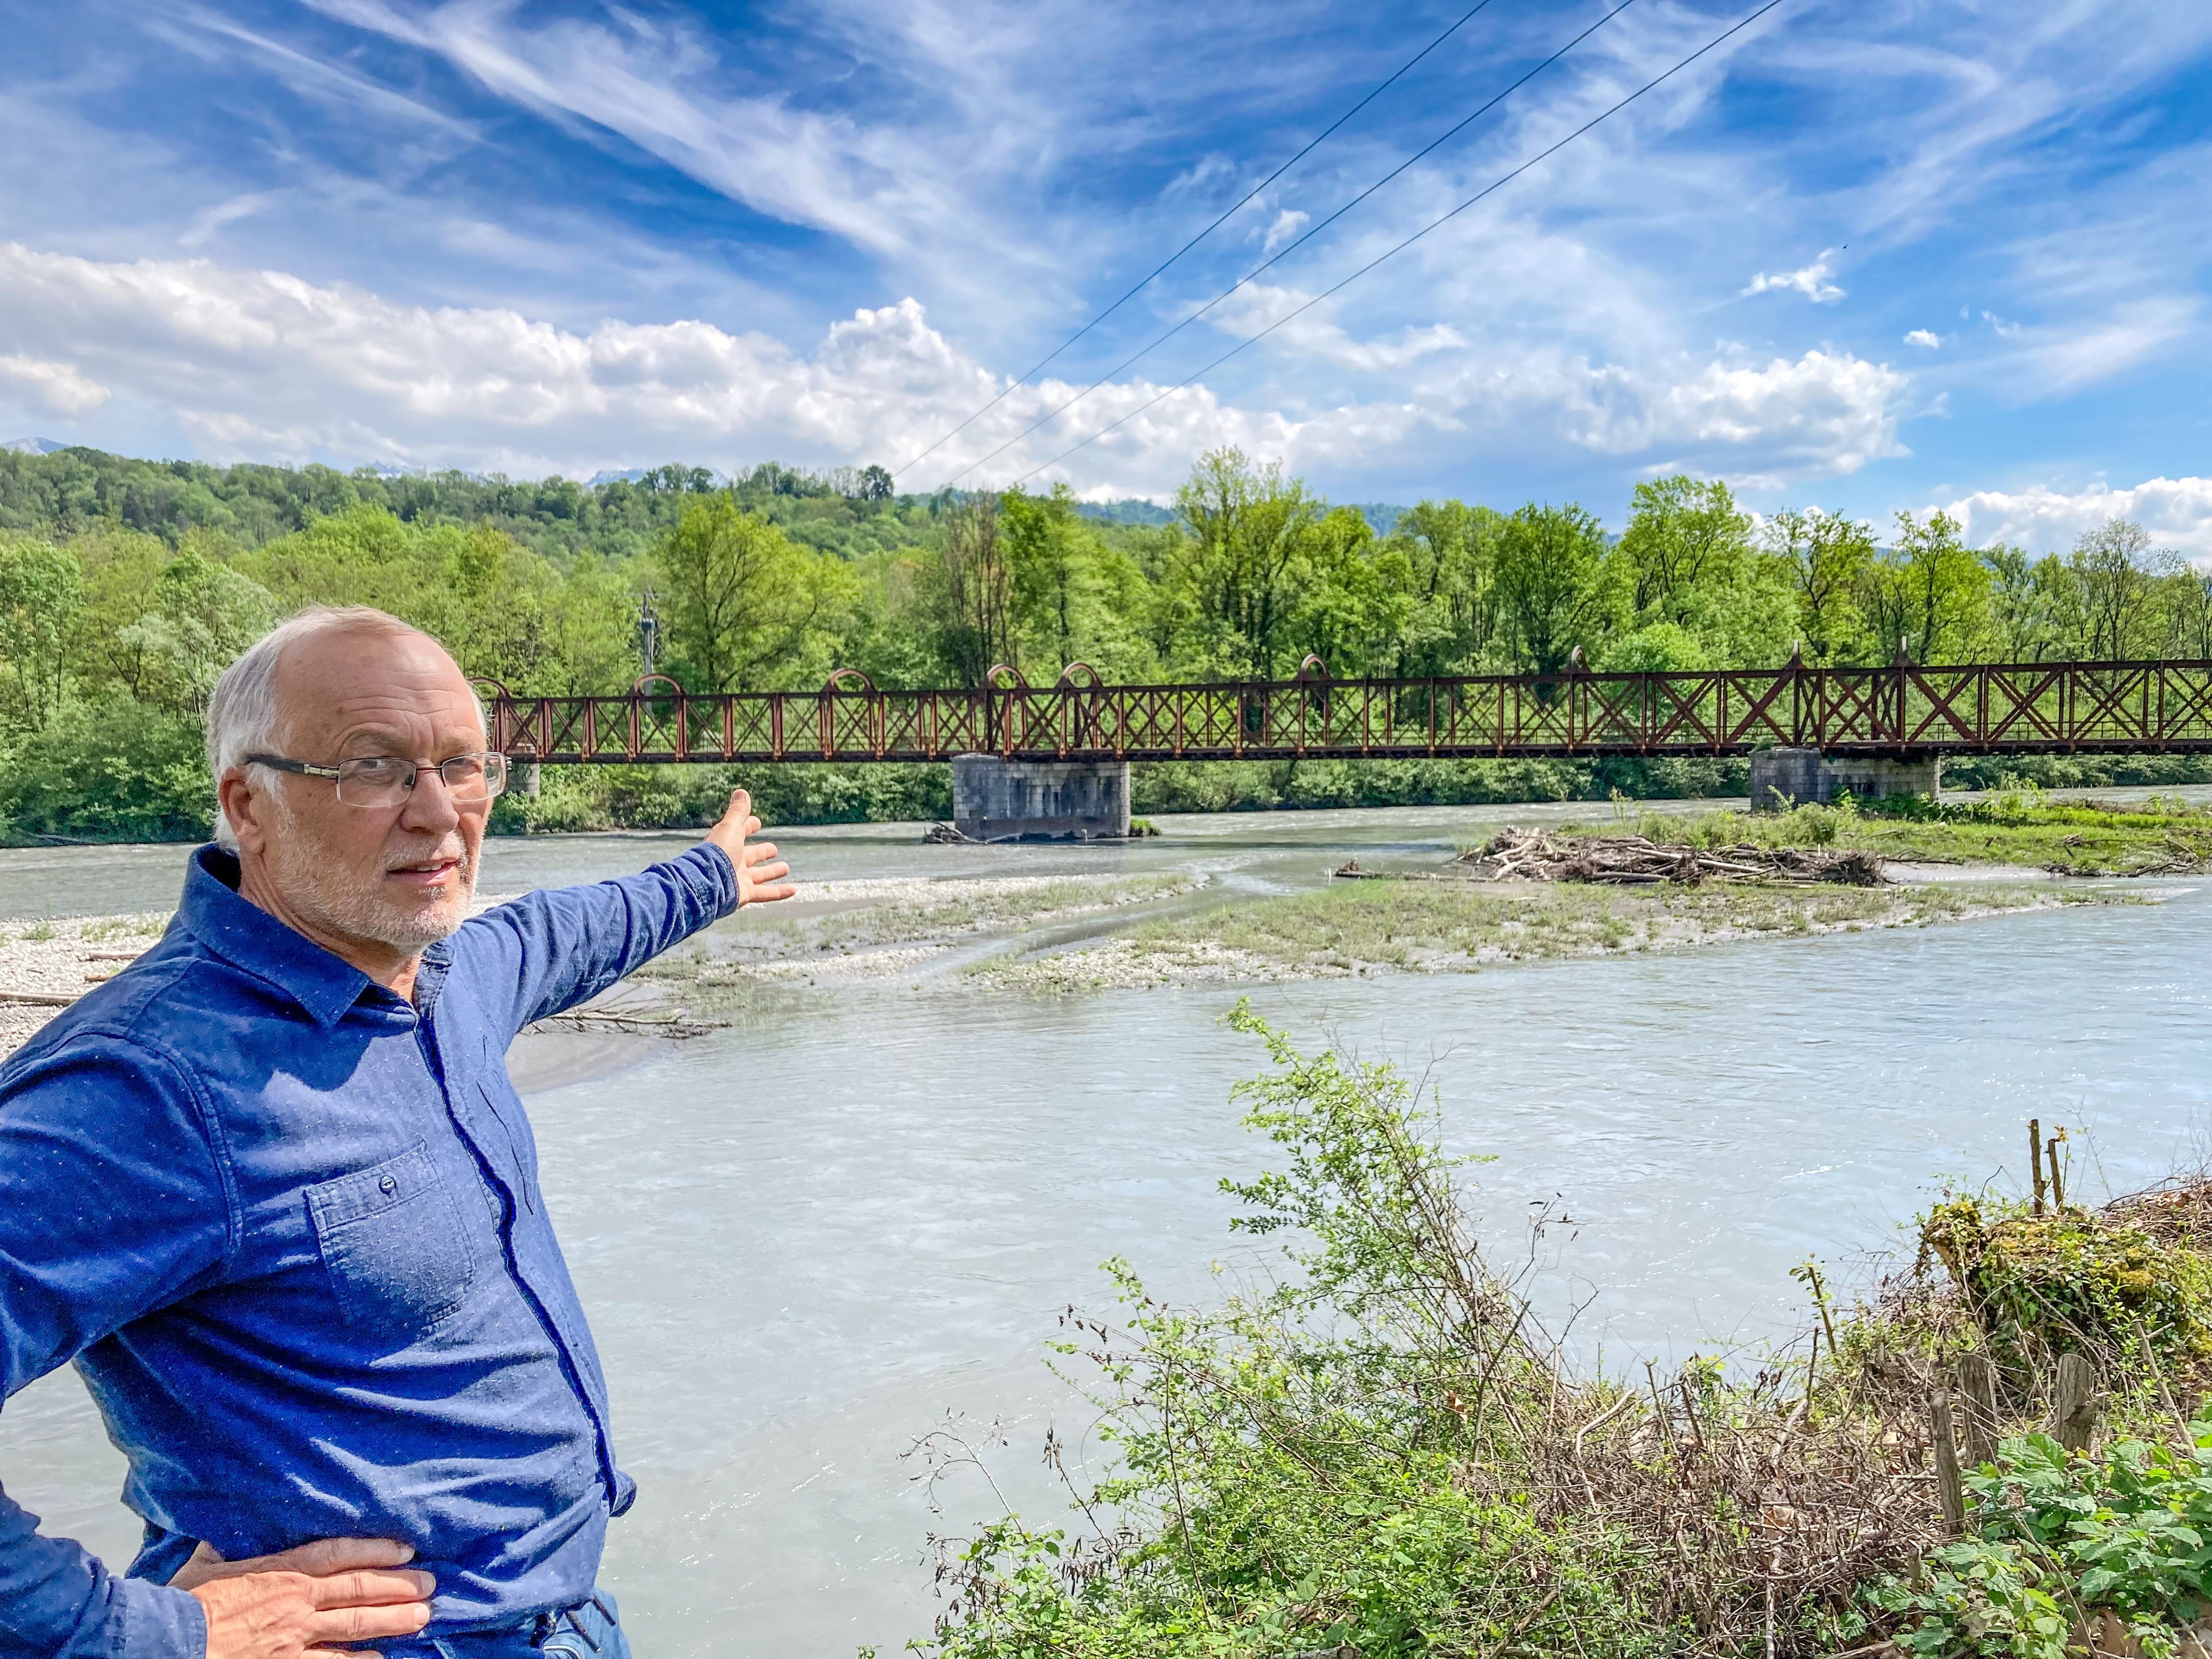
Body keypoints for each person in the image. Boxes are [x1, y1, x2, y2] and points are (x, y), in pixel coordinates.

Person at [0, 607, 796, 1659]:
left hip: (561, 1622)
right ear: (252, 805)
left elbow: (578, 928)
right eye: (375, 769)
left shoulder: (447, 973)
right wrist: (143, 1635)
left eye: (463, 767)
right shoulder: (150, 1087)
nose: (441, 815)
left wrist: (714, 874)